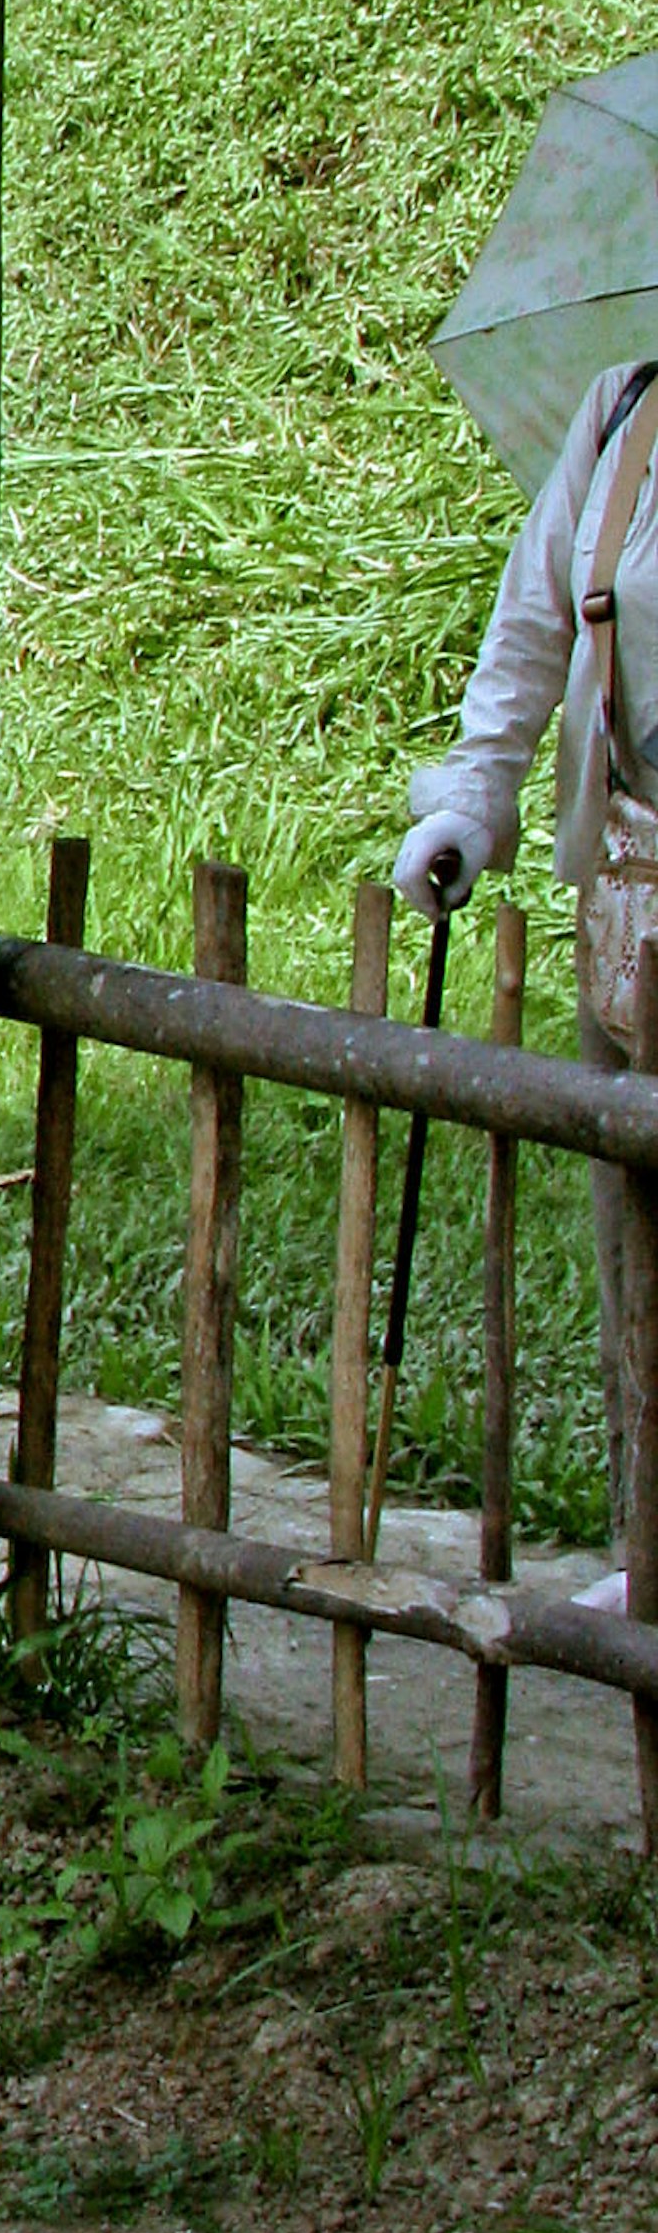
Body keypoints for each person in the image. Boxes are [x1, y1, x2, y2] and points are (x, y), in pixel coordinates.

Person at [398, 350, 658, 1561]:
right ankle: (646, 1548)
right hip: (632, 905)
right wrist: (472, 799)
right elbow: (530, 639)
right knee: (639, 1245)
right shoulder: (621, 412)